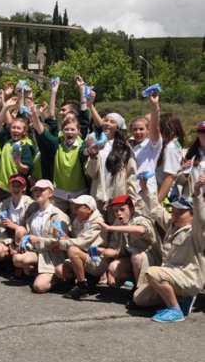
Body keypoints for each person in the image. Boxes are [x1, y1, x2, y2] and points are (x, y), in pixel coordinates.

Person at [132, 175, 205, 322]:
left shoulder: (196, 232)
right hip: (172, 276)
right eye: (174, 211)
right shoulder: (172, 225)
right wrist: (144, 188)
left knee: (152, 272)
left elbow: (201, 218)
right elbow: (156, 209)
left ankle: (175, 310)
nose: (175, 215)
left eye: (180, 212)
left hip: (187, 279)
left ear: (192, 215)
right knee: (139, 298)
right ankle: (179, 300)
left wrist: (197, 193)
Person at [12, 180, 70, 294]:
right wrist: (24, 244)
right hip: (37, 253)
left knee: (39, 287)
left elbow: (62, 242)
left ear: (50, 193)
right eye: (36, 190)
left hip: (52, 256)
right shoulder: (33, 216)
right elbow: (29, 238)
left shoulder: (59, 215)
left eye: (42, 190)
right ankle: (38, 271)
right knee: (17, 259)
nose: (38, 192)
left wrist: (39, 240)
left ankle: (56, 275)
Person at [97, 194, 161, 290]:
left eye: (122, 209)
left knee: (137, 256)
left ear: (131, 209)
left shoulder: (141, 219)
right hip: (132, 261)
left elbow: (141, 230)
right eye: (116, 211)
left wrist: (110, 228)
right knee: (113, 267)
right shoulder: (117, 222)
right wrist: (102, 251)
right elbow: (114, 249)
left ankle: (139, 289)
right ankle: (136, 283)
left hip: (152, 261)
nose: (118, 213)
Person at [85, 111, 138, 223]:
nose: (107, 123)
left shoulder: (125, 148)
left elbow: (131, 174)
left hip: (118, 196)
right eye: (106, 120)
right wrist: (93, 156)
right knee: (98, 228)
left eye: (112, 122)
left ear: (117, 128)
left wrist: (131, 197)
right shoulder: (96, 144)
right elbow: (91, 173)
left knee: (117, 230)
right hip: (98, 196)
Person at [53, 195, 106, 300]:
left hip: (96, 259)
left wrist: (63, 243)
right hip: (83, 255)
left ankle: (82, 286)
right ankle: (86, 280)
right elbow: (73, 238)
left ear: (89, 209)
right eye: (75, 206)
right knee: (59, 271)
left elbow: (82, 242)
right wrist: (62, 236)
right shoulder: (78, 219)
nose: (74, 209)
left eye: (78, 207)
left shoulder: (98, 222)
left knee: (73, 250)